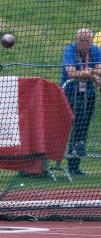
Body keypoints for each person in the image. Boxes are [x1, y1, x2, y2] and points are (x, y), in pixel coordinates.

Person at [61, 28, 101, 176]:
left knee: (84, 124)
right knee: (77, 121)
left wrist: (89, 73)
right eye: (81, 41)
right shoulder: (70, 50)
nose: (84, 44)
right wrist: (92, 73)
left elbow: (100, 69)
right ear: (77, 40)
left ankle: (74, 166)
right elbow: (71, 72)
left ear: (91, 41)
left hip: (88, 93)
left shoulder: (95, 51)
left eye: (87, 41)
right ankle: (71, 153)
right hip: (71, 92)